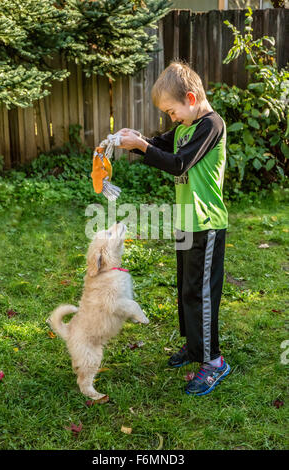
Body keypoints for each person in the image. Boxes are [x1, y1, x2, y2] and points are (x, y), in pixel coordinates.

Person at [118, 61, 231, 396]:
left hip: (206, 224)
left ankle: (213, 362)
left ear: (191, 98)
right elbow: (160, 145)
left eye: (172, 111)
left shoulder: (210, 125)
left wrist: (143, 148)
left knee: (202, 295)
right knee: (186, 290)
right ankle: (194, 347)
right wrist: (137, 139)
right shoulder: (185, 126)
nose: (172, 118)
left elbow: (178, 163)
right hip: (186, 224)